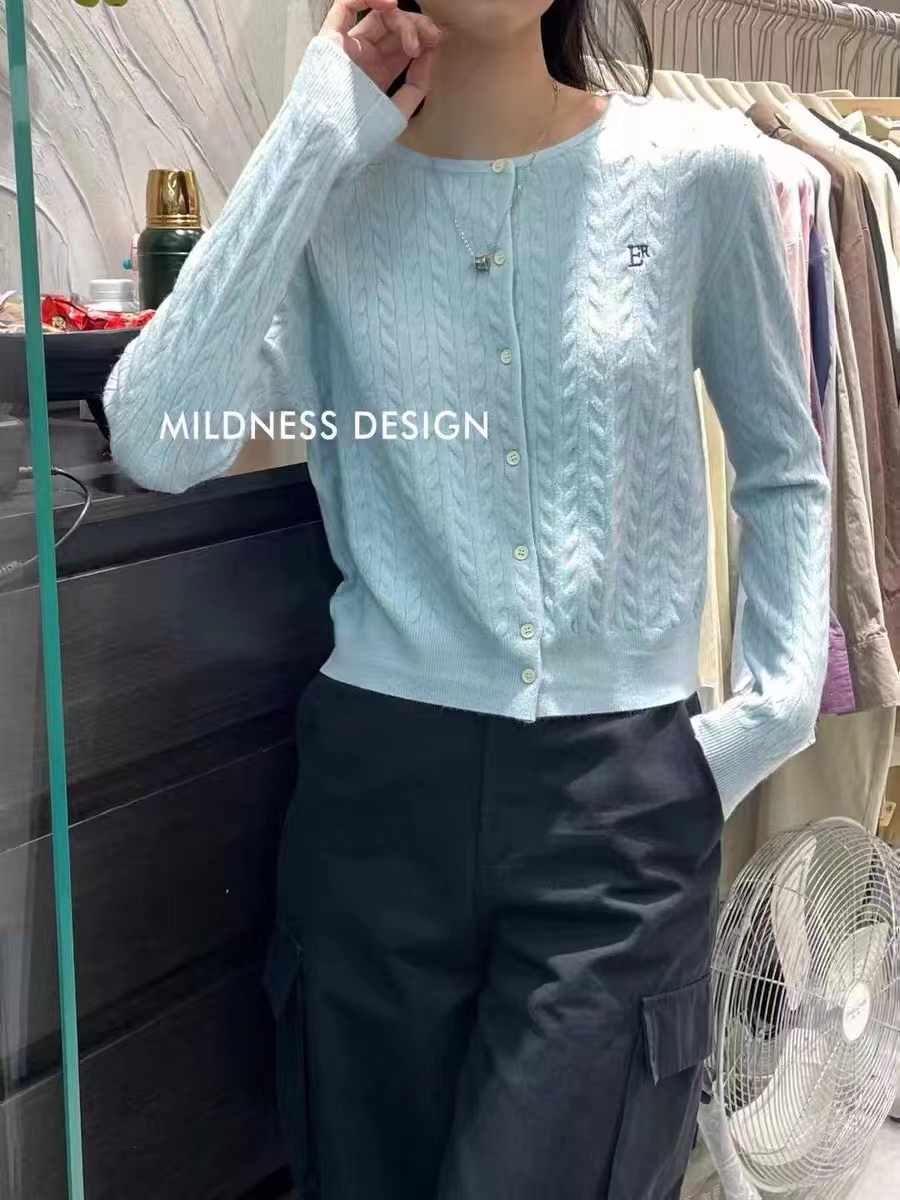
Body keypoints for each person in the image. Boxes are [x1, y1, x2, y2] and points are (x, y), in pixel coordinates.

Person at [101, 1, 831, 1196]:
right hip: (376, 801)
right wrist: (311, 132)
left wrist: (767, 718)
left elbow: (784, 466)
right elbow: (156, 436)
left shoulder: (701, 170)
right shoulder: (331, 190)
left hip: (620, 805)